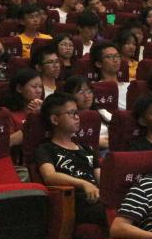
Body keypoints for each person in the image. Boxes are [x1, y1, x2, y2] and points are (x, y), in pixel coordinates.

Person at [35, 93, 107, 229]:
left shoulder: (87, 149)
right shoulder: (46, 149)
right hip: (74, 201)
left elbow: (102, 179)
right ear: (55, 119)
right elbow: (50, 176)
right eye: (71, 113)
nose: (77, 117)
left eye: (77, 113)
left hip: (97, 198)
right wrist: (84, 184)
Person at [4, 67, 45, 148]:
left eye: (40, 87)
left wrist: (44, 112)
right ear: (19, 88)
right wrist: (34, 119)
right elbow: (8, 142)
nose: (39, 91)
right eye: (34, 86)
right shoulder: (8, 114)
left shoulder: (45, 110)